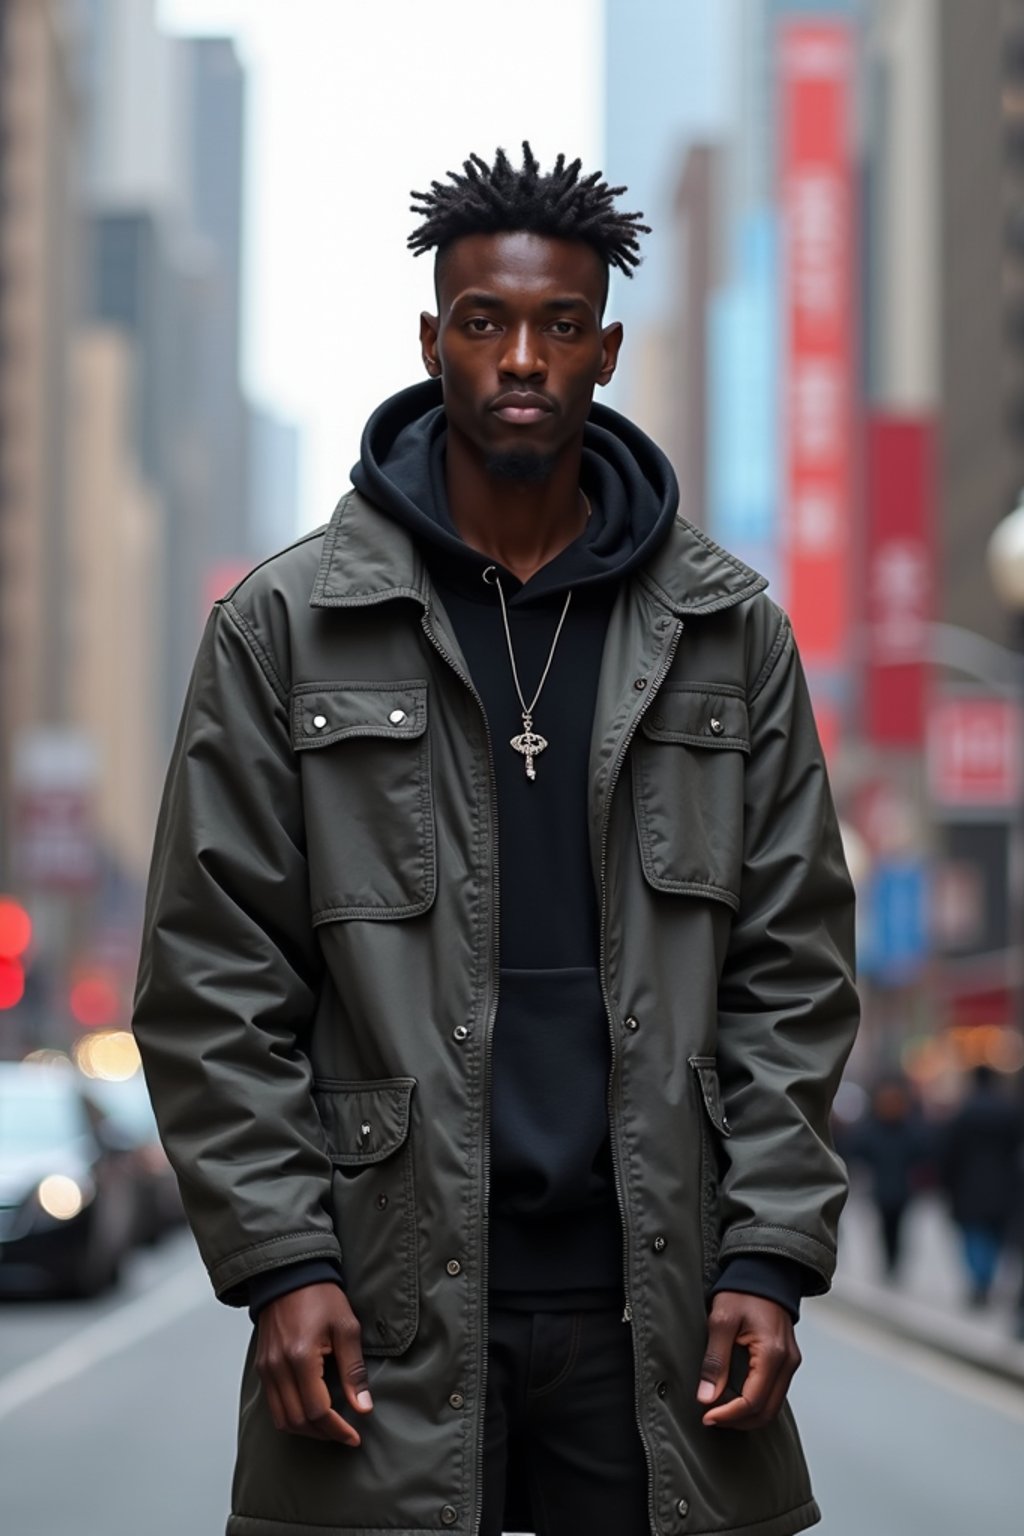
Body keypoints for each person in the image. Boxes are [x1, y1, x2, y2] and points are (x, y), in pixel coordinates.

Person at [133, 145, 859, 1536]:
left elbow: (795, 973)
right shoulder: (284, 629)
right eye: (484, 323)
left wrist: (769, 1253)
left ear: (606, 349)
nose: (520, 356)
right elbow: (212, 978)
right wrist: (283, 1265)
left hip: (660, 1300)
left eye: (558, 325)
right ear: (433, 340)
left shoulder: (731, 633)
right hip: (384, 1307)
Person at [938, 1063, 1023, 1307]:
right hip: (1003, 1185)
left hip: (968, 1186)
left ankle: (980, 1281)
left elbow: (949, 1153)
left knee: (974, 1236)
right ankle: (986, 1279)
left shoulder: (963, 1113)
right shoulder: (1009, 1112)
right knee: (995, 1236)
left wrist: (946, 1184)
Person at [845, 1075, 931, 1277]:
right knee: (885, 1226)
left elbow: (921, 1151)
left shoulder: (908, 1129)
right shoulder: (873, 1129)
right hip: (883, 1187)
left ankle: (894, 1261)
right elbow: (859, 1149)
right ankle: (889, 1261)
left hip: (902, 1187)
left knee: (898, 1227)